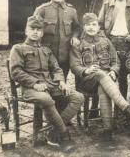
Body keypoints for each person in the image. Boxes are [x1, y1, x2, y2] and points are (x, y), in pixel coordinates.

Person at [9, 16, 84, 152]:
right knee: (45, 98)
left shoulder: (46, 50)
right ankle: (64, 135)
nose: (35, 32)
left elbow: (56, 68)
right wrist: (35, 83)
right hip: (30, 88)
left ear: (42, 33)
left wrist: (61, 81)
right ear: (26, 30)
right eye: (32, 29)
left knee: (78, 97)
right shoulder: (18, 49)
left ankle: (52, 131)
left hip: (50, 85)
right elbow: (16, 72)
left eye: (38, 29)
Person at [70, 13, 130, 141]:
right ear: (83, 27)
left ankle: (107, 131)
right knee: (99, 74)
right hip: (86, 81)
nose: (91, 28)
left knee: (103, 87)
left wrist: (114, 71)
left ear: (98, 27)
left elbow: (116, 61)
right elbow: (74, 66)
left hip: (104, 81)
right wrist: (86, 70)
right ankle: (127, 110)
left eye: (94, 25)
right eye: (88, 25)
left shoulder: (106, 41)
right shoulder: (78, 43)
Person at [33, 0, 81, 79]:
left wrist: (75, 37)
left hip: (65, 56)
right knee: (47, 83)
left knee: (62, 83)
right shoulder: (42, 10)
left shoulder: (71, 11)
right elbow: (32, 31)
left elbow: (77, 28)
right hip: (46, 56)